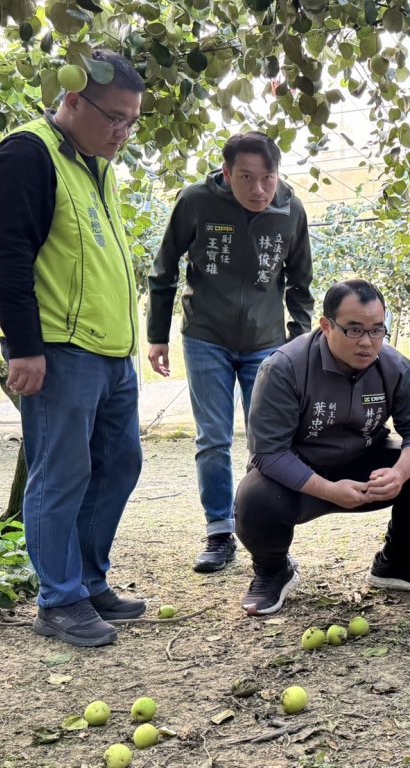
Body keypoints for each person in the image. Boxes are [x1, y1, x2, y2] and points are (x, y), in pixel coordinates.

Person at [0, 51, 147, 647]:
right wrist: (23, 347)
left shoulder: (95, 164)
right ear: (72, 99)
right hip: (59, 349)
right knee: (61, 473)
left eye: (133, 121)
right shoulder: (28, 154)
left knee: (121, 462)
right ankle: (58, 600)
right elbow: (6, 255)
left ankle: (87, 579)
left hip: (111, 352)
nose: (123, 133)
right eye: (116, 119)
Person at [232, 279, 410, 615]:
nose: (367, 342)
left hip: (364, 462)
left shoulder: (393, 367)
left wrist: (399, 473)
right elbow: (269, 452)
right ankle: (272, 570)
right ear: (326, 326)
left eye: (377, 330)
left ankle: (396, 560)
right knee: (255, 498)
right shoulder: (283, 368)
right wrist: (329, 490)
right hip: (299, 473)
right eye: (354, 330)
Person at [147, 132, 314, 574]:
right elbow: (163, 269)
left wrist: (301, 343)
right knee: (213, 438)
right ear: (226, 173)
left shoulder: (291, 209)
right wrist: (156, 335)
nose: (259, 190)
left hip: (267, 344)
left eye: (267, 178)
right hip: (206, 338)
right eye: (246, 178)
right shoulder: (197, 201)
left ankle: (268, 534)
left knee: (270, 441)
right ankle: (219, 531)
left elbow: (301, 284)